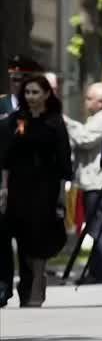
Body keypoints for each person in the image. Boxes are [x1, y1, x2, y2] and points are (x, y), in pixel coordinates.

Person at [1, 75, 72, 307]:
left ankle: (36, 286)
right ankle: (24, 286)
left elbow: (64, 162)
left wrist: (62, 194)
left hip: (45, 186)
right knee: (21, 236)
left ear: (46, 95)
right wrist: (3, 188)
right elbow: (5, 160)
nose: (30, 97)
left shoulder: (54, 122)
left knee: (39, 236)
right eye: (27, 92)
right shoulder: (15, 121)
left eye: (35, 92)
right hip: (19, 186)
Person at [0, 55, 44, 306]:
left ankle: (28, 288)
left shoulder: (42, 108)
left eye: (22, 77)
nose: (16, 82)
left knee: (29, 238)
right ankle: (3, 286)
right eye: (13, 78)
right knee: (2, 236)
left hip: (31, 183)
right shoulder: (2, 105)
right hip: (5, 181)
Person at [64, 83, 102, 283]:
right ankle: (101, 270)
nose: (86, 102)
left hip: (98, 182)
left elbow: (84, 138)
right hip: (92, 181)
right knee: (98, 227)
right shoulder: (98, 118)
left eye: (89, 98)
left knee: (99, 228)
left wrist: (66, 122)